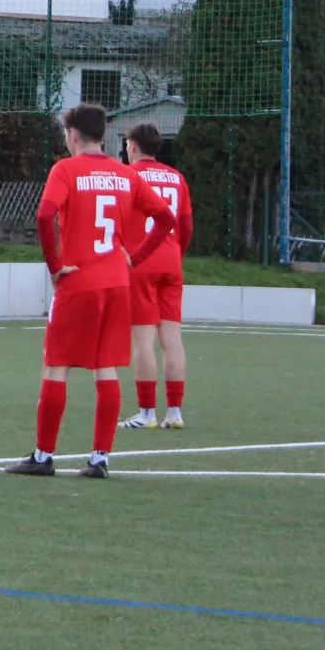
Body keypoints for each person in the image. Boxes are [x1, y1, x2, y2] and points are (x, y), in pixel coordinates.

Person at [7, 104, 175, 478]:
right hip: (116, 282)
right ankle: (100, 459)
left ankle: (43, 456)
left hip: (78, 281)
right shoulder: (125, 173)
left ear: (72, 134)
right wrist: (134, 257)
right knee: (105, 368)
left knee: (56, 365)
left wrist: (54, 266)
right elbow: (166, 218)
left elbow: (44, 215)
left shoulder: (66, 169)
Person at [122, 123, 193, 429]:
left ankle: (147, 413)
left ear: (134, 145)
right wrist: (176, 253)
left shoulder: (128, 176)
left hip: (141, 262)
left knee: (143, 341)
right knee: (172, 339)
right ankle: (174, 413)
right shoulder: (177, 177)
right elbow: (186, 226)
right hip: (171, 262)